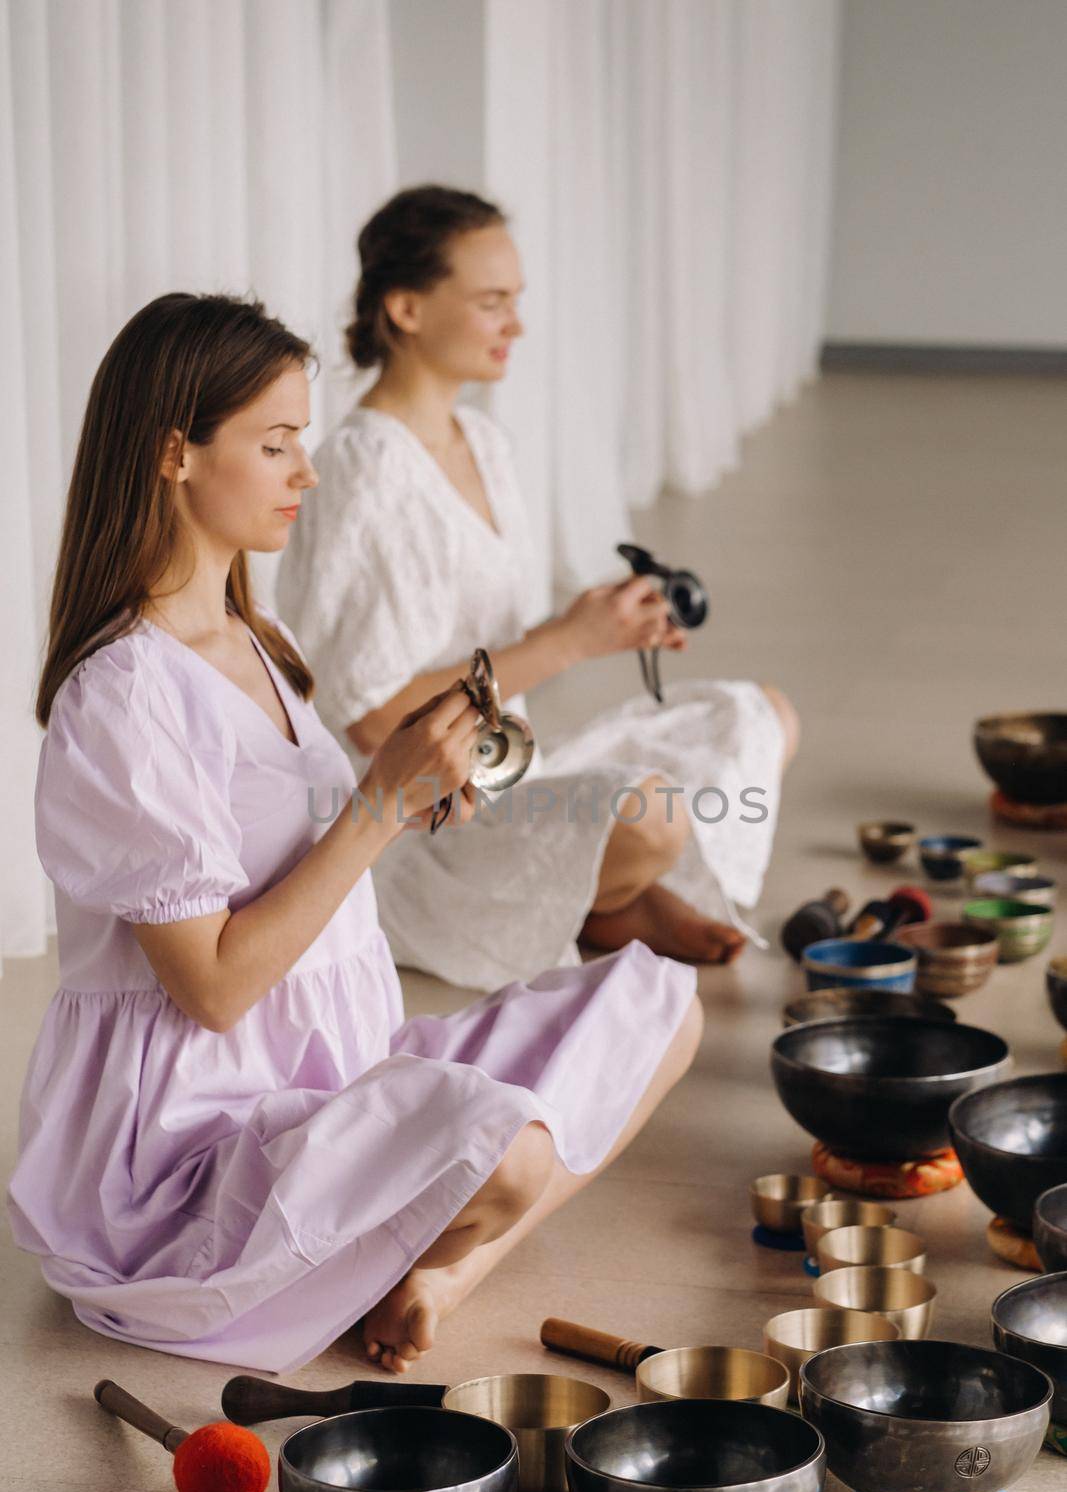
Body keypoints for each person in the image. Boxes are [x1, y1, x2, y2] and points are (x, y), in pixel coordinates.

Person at [7, 292, 701, 1375]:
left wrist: (414, 791)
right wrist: (377, 805)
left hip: (340, 1072)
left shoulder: (257, 633)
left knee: (659, 1006)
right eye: (275, 444)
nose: (305, 473)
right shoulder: (125, 695)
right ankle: (402, 1245)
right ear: (173, 454)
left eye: (304, 442)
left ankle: (442, 1268)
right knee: (512, 1154)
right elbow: (216, 990)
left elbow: (302, 843)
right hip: (195, 1148)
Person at [277, 186, 800, 993]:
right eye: (491, 302)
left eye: (514, 301)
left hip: (514, 773)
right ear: (407, 307)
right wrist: (564, 645)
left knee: (757, 714)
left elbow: (492, 644)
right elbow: (377, 721)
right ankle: (603, 902)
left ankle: (596, 892)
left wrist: (604, 624)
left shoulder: (481, 440)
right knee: (655, 815)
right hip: (421, 828)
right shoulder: (361, 469)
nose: (514, 325)